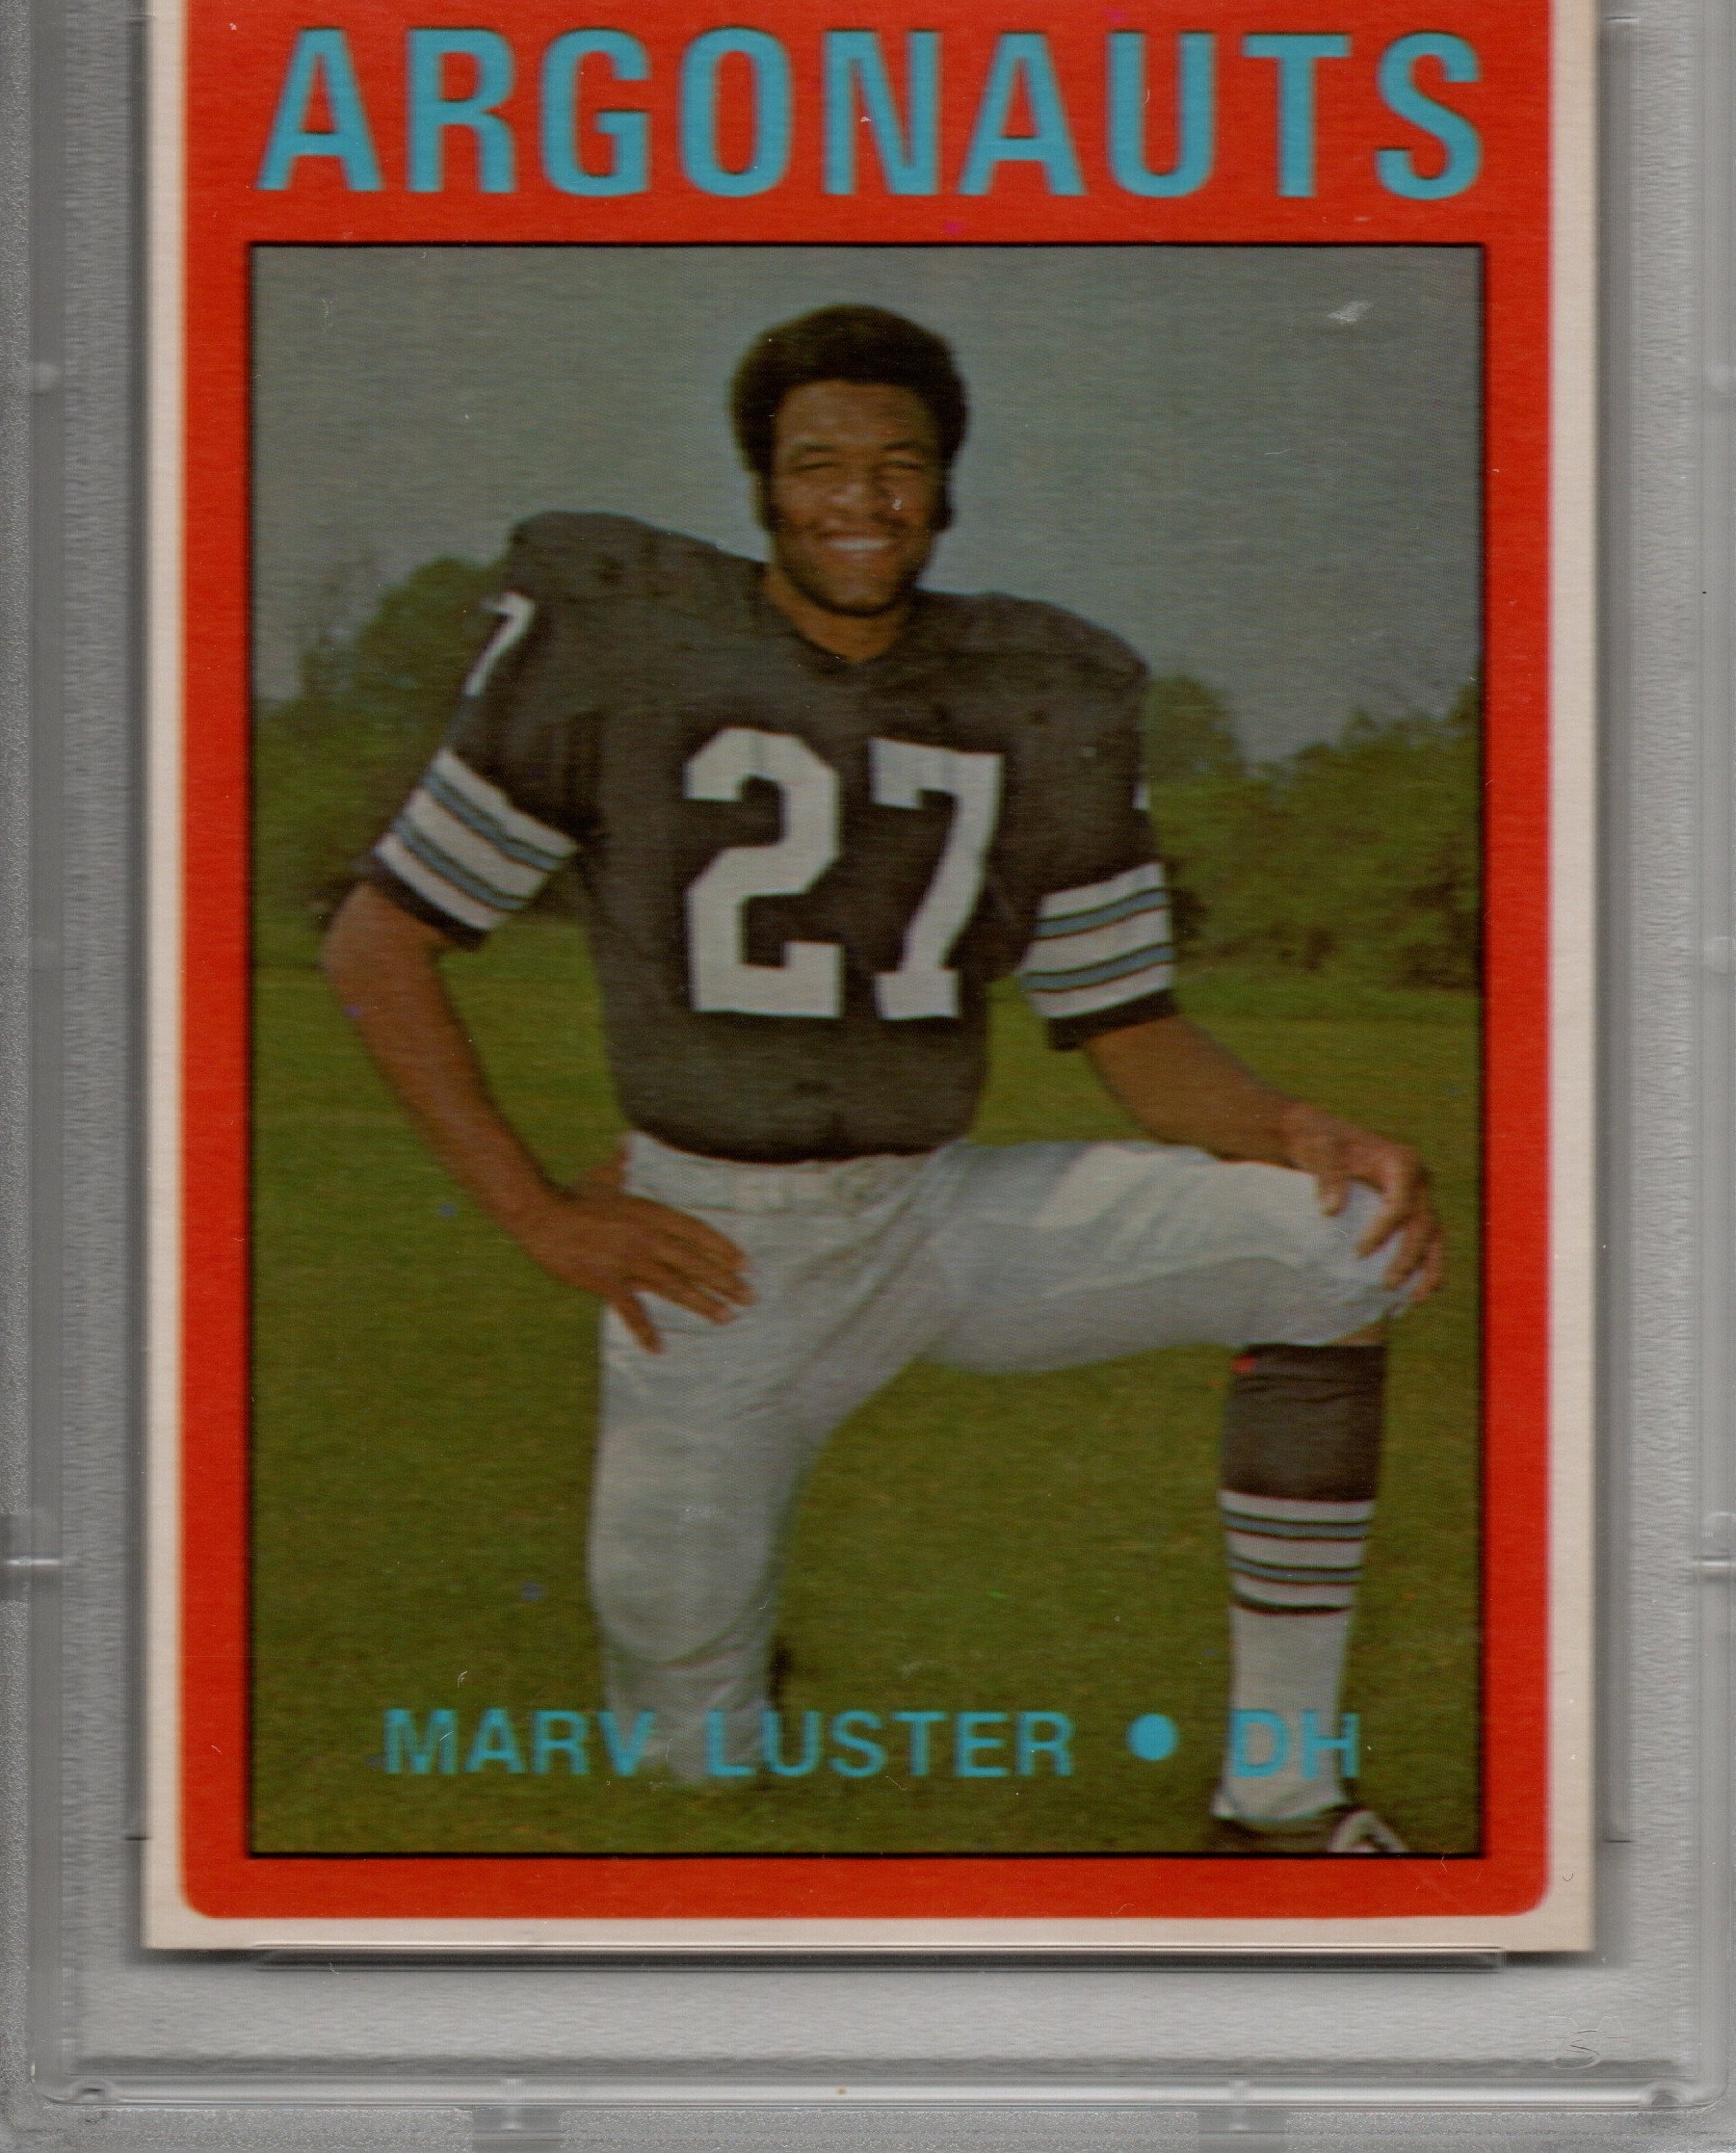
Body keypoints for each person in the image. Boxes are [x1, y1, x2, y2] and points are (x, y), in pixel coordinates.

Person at [323, 304, 1443, 1849]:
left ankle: (1280, 1789)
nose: (860, 497)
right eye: (818, 464)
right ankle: (718, 1682)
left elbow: (1125, 1027)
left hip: (931, 1214)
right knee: (681, 1763)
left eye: (898, 464)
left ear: (946, 485)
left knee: (1336, 1245)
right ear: (761, 486)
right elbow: (374, 943)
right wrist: (536, 1212)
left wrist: (1291, 1124)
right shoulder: (627, 645)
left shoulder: (1031, 689)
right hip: (715, 1254)